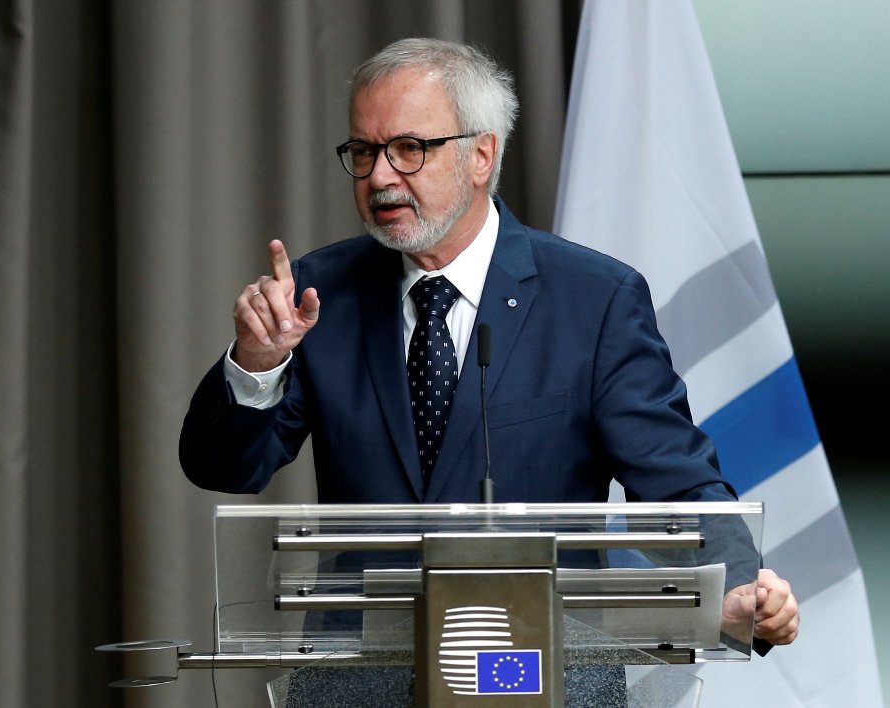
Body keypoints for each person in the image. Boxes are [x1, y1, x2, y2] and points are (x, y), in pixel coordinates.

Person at [179, 38, 798, 650]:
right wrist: (257, 363)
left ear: (480, 156)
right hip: (359, 672)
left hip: (545, 666)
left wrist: (738, 588)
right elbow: (224, 467)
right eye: (364, 151)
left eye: (409, 149)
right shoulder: (319, 294)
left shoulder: (593, 299)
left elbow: (675, 480)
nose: (379, 176)